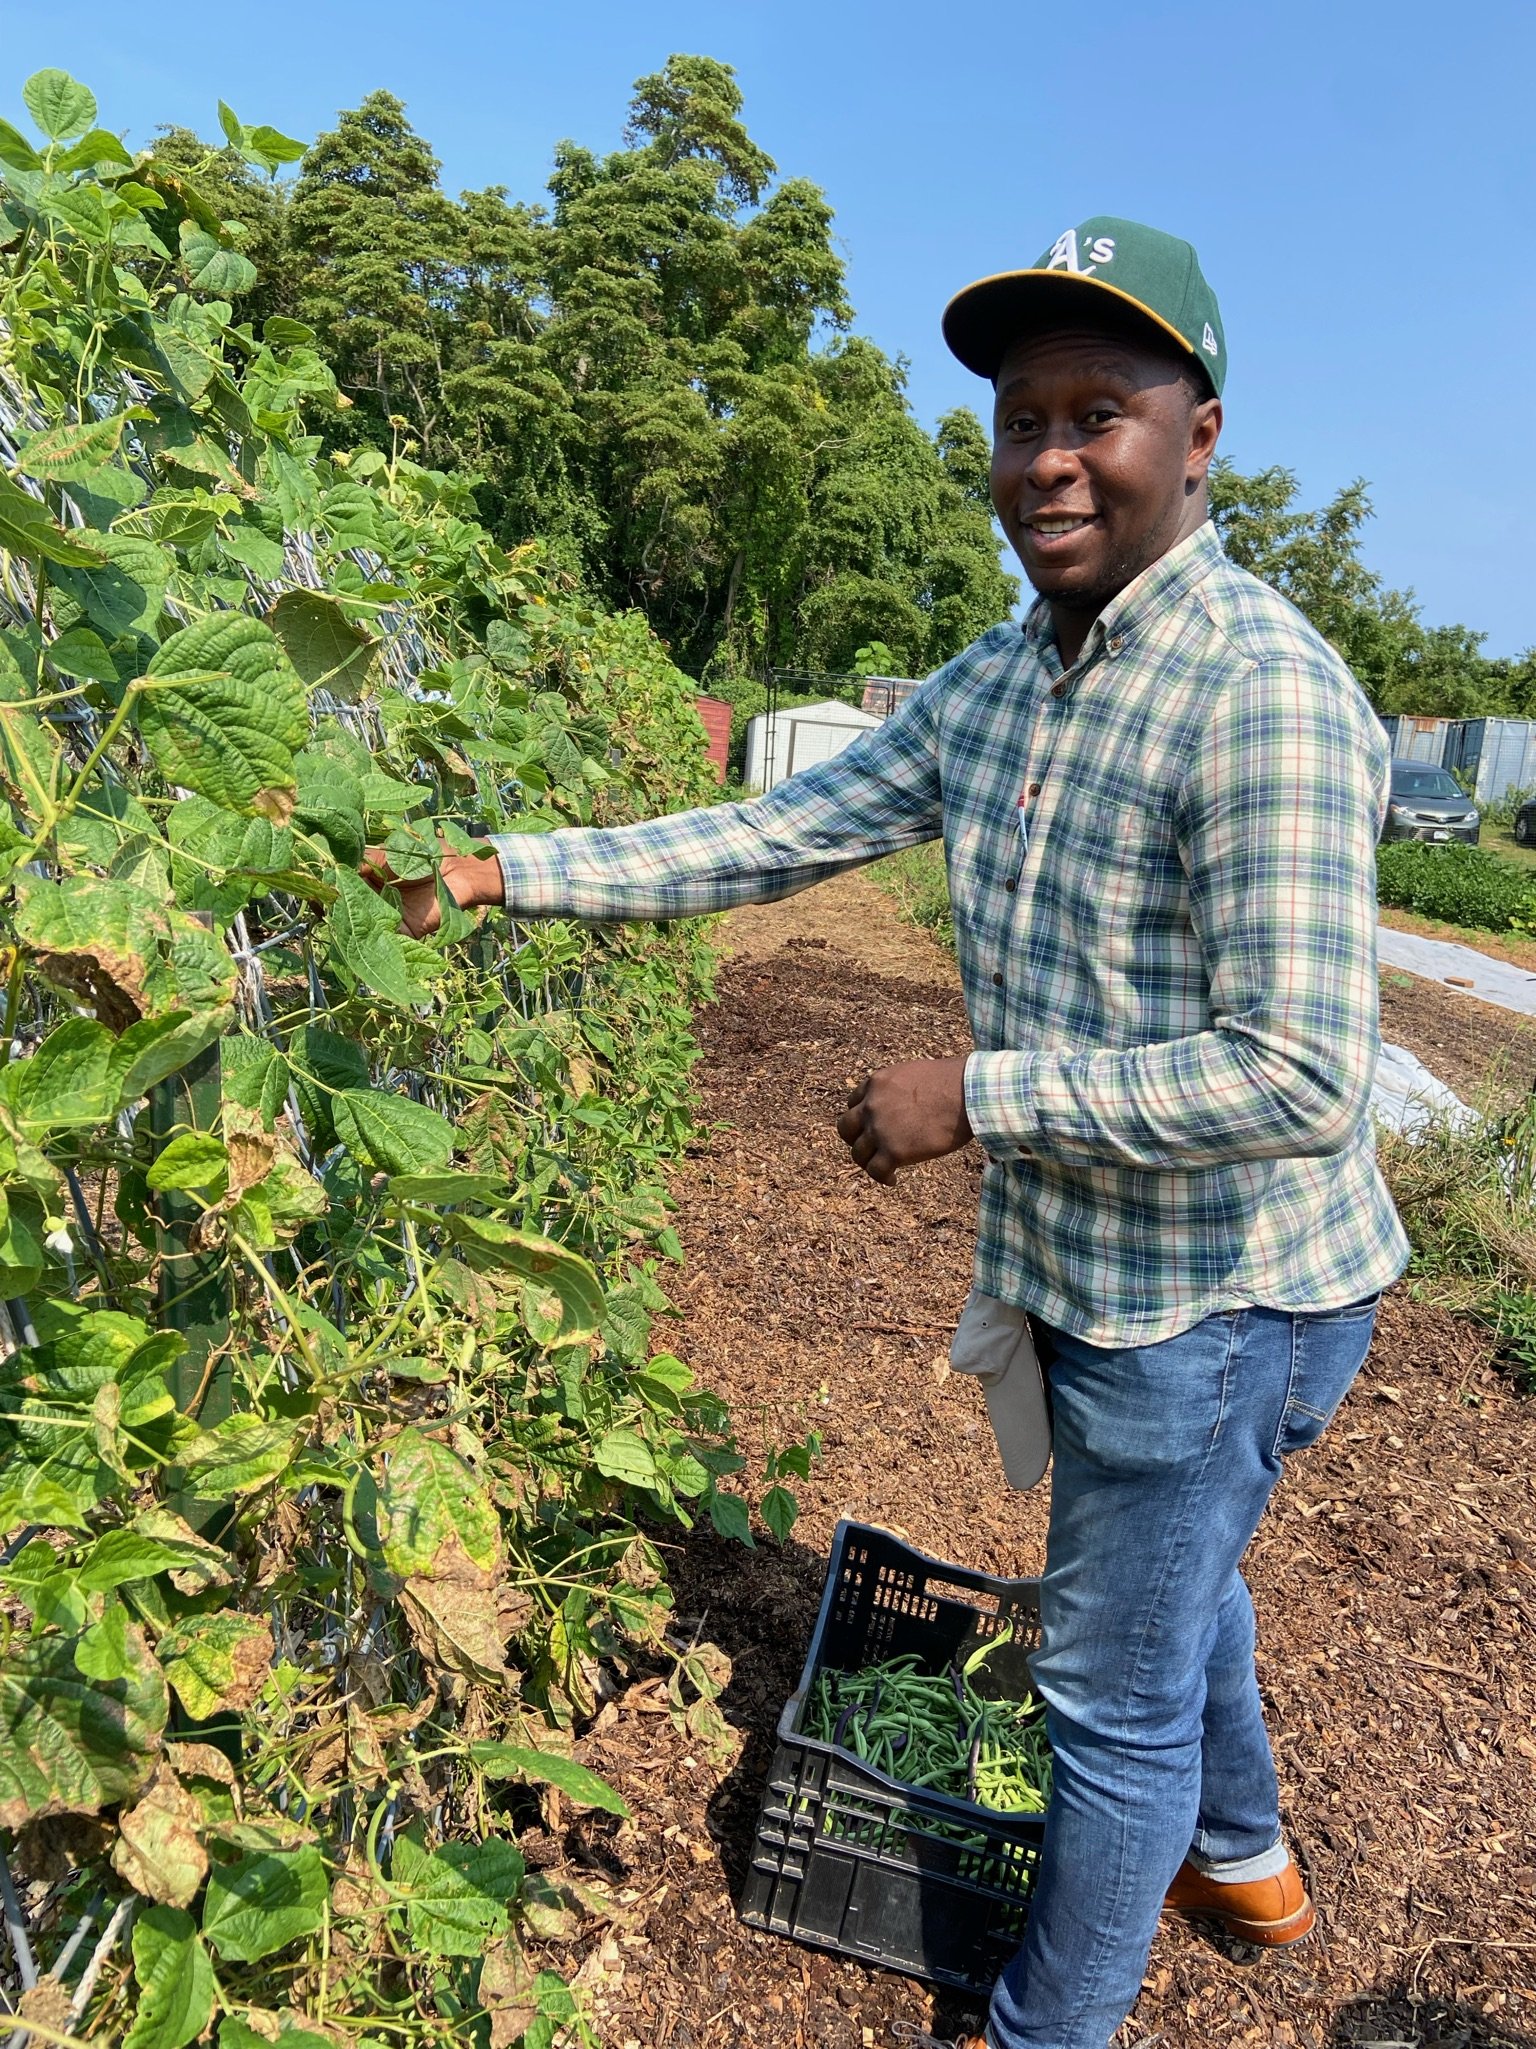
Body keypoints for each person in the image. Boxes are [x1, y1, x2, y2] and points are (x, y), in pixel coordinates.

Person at [367, 216, 1408, 2049]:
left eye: (1104, 409)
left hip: (1224, 1301)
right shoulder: (1003, 682)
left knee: (1105, 1694)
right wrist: (503, 868)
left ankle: (1046, 2027)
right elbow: (774, 833)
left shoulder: (1265, 695)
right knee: (1173, 1583)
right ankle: (1246, 1861)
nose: (1054, 458)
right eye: (1023, 419)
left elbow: (1302, 1075)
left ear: (1203, 433)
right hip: (1093, 1263)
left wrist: (973, 1095)